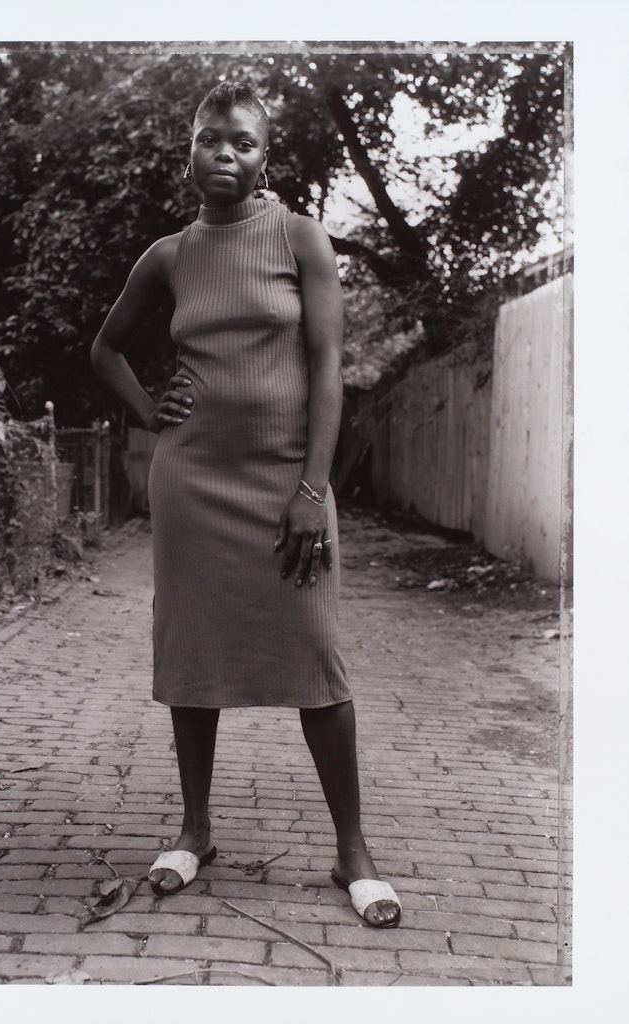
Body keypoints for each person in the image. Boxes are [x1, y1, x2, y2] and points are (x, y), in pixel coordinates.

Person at [90, 81, 401, 927]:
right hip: (192, 484)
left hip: (285, 487)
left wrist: (313, 490)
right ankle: (195, 831)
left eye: (243, 143)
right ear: (187, 150)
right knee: (193, 659)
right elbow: (106, 347)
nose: (224, 155)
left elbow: (328, 368)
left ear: (267, 155)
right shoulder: (167, 256)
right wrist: (153, 412)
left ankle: (353, 853)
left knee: (316, 659)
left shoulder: (301, 238)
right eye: (208, 141)